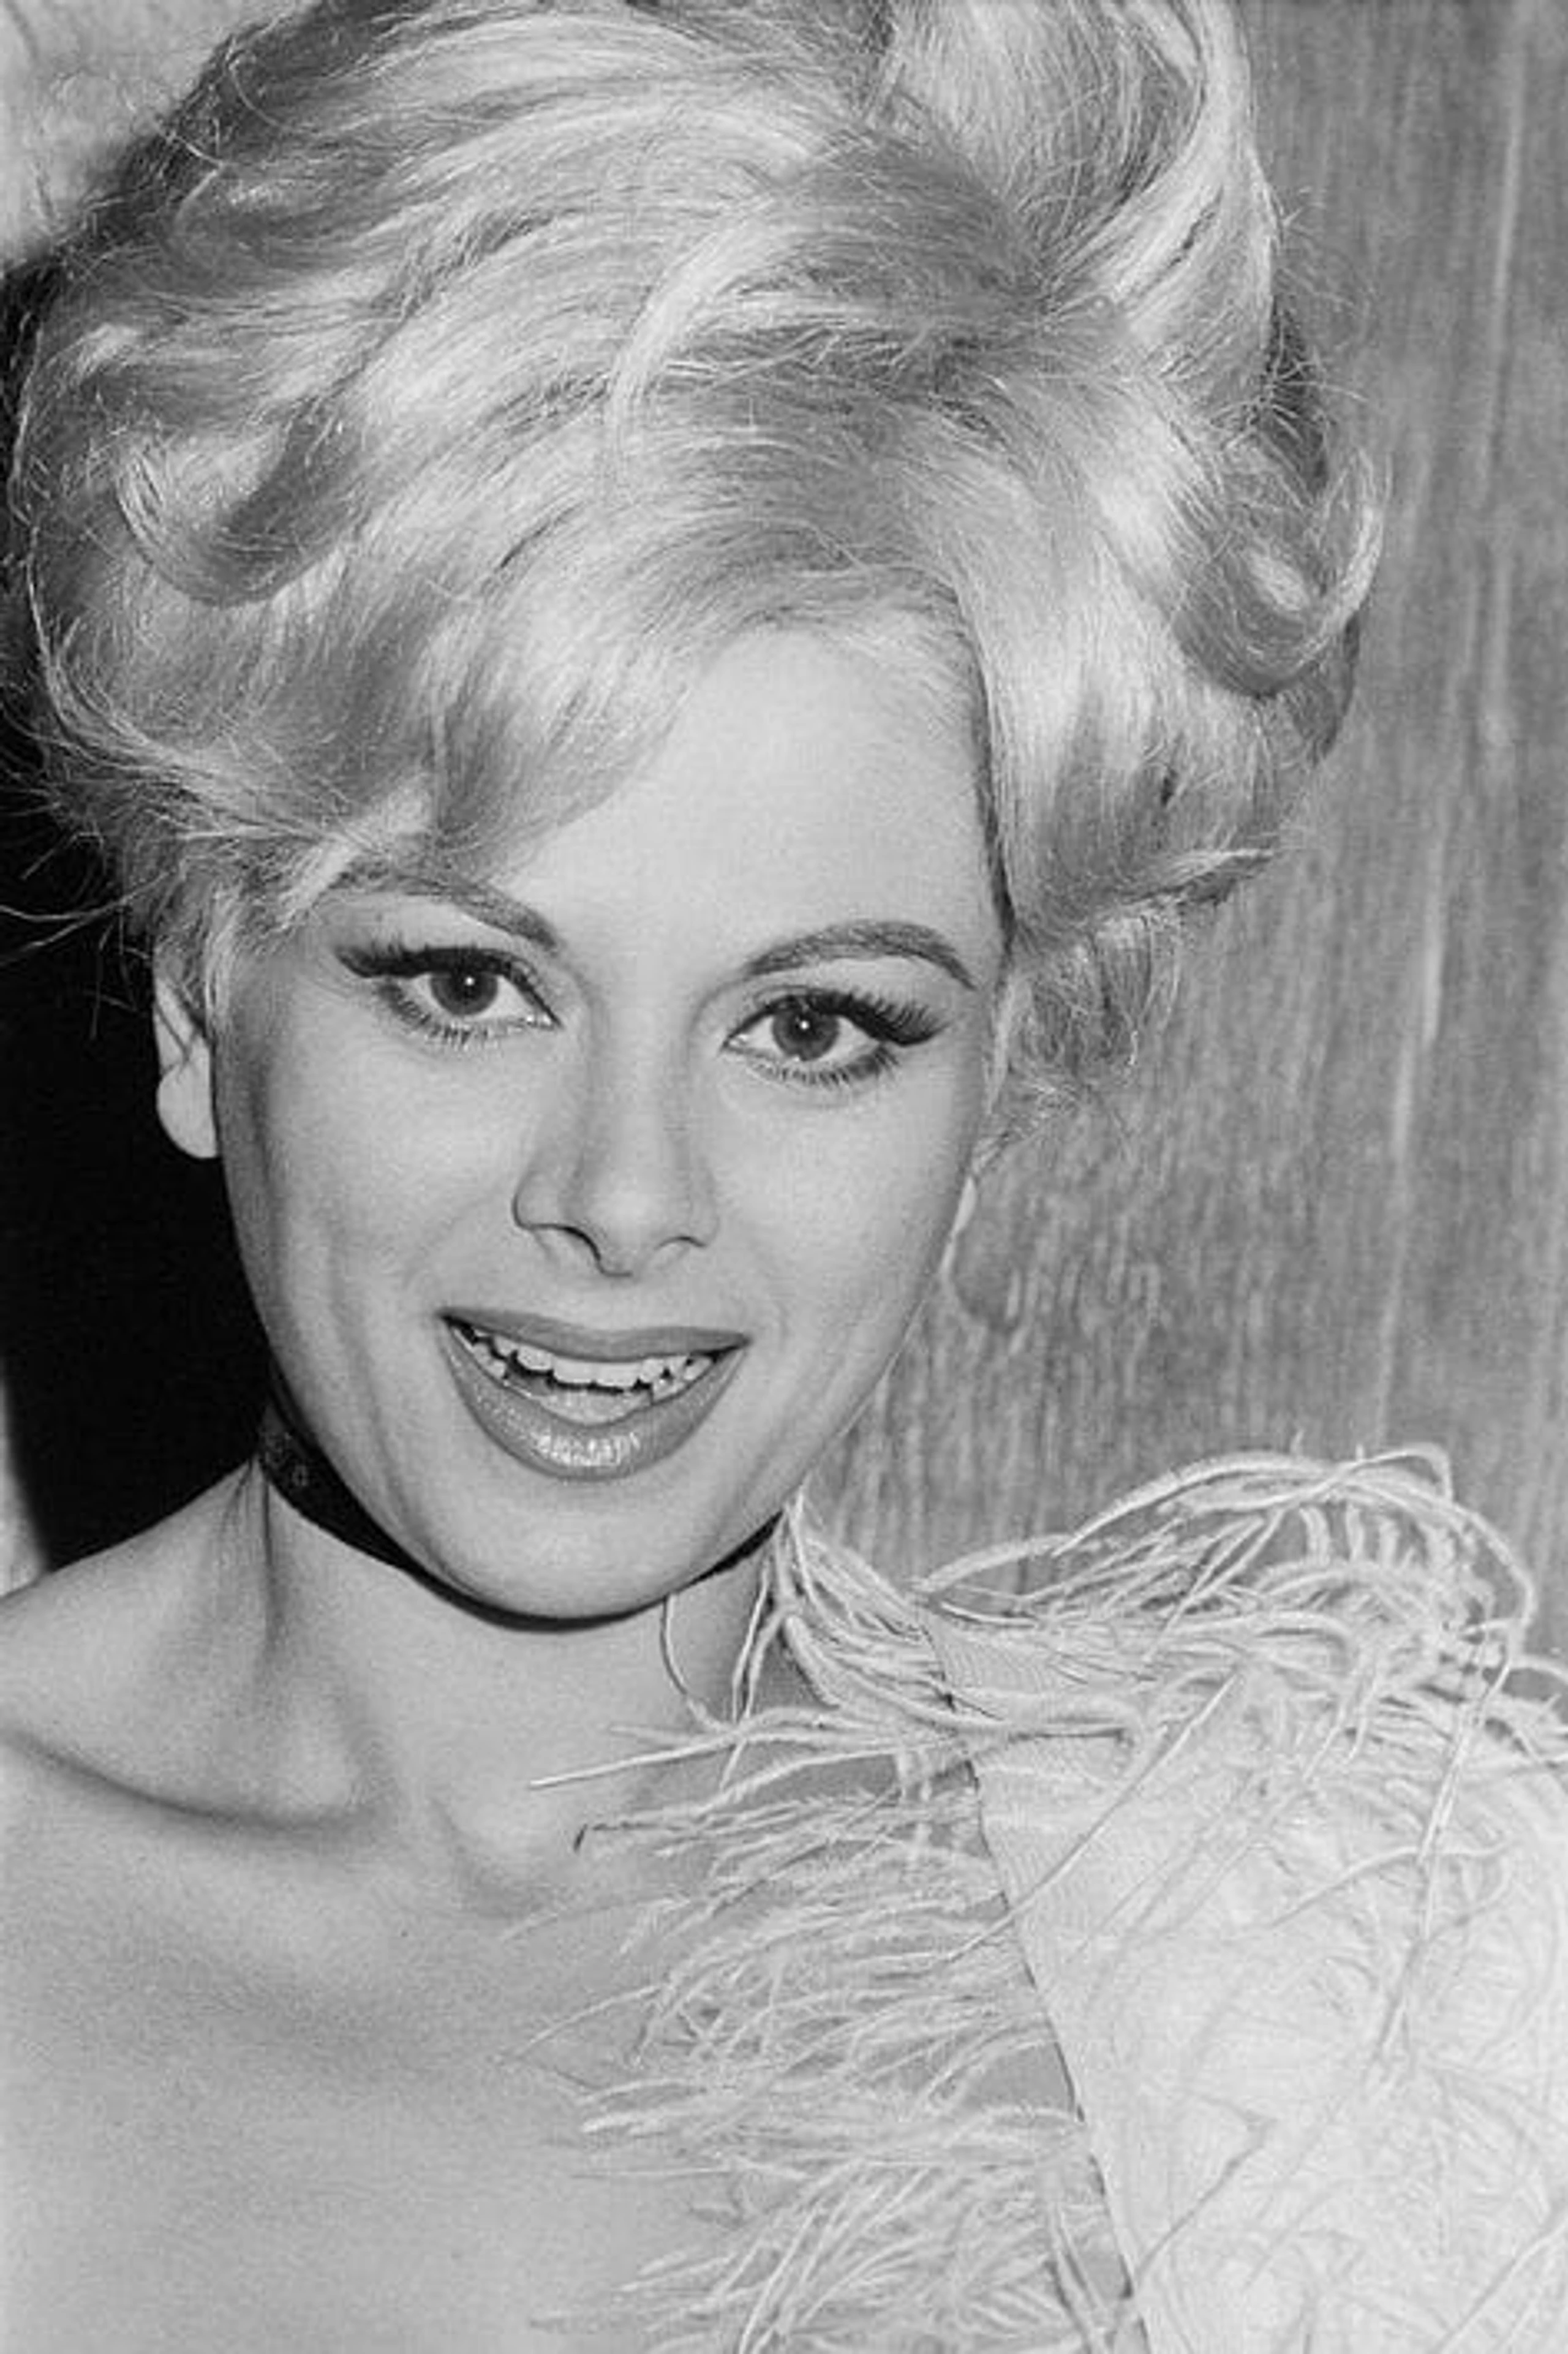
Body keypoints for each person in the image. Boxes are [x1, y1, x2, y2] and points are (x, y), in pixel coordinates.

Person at [1, 1, 1564, 2345]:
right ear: (202, 996)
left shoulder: (1333, 2001)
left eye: (816, 1026)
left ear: (1002, 1067)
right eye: (467, 984)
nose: (628, 1195)